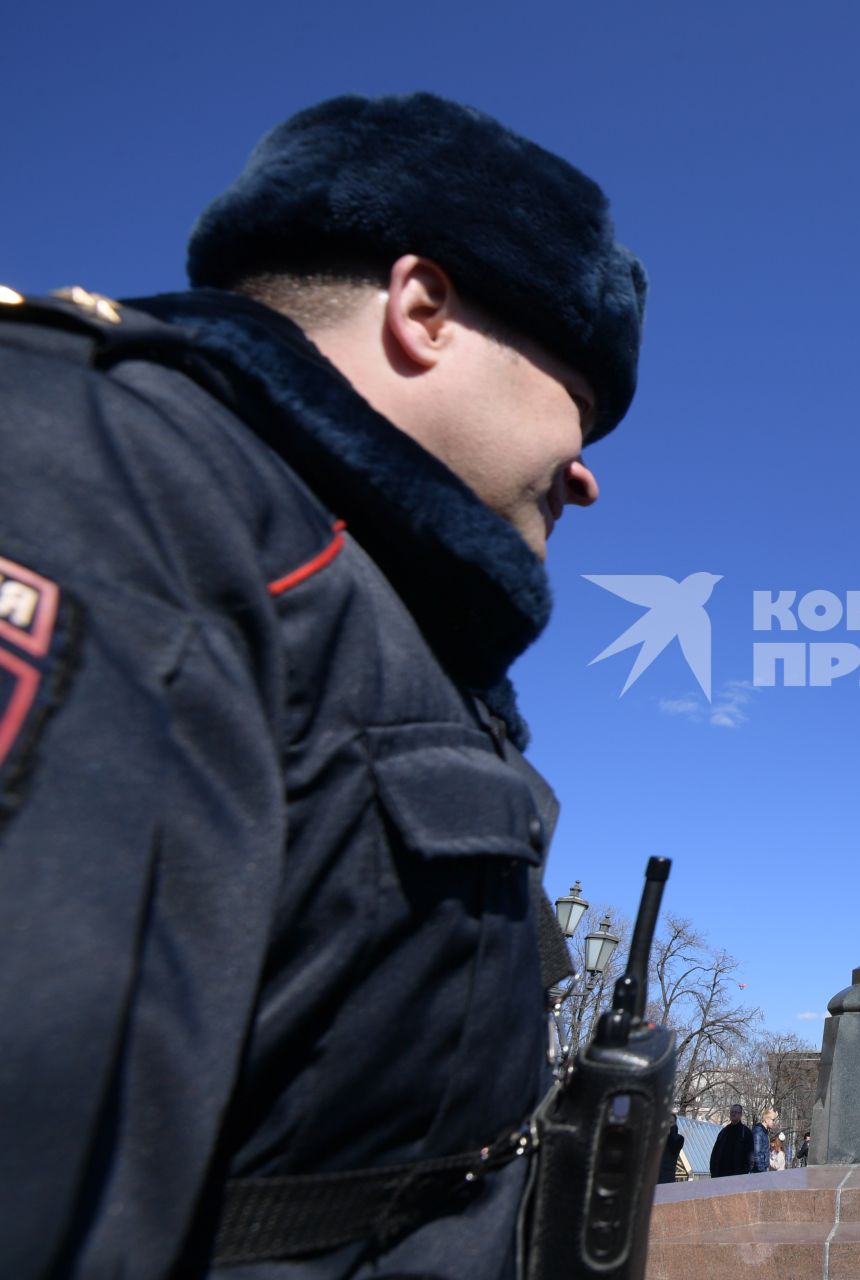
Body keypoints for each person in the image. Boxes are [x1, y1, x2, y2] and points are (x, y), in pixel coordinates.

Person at [0, 92, 645, 1278]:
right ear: (424, 310)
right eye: (581, 400)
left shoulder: (347, 591)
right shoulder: (116, 487)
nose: (587, 472)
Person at [709, 1105, 754, 1179]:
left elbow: (750, 1155)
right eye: (732, 1112)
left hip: (738, 1176)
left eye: (736, 1112)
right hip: (720, 1175)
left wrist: (744, 1172)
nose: (733, 1114)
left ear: (740, 1115)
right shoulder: (723, 1132)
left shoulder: (746, 1133)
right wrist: (713, 1171)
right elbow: (715, 1153)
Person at [659, 1118, 687, 1187]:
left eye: (670, 1122)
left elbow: (674, 1144)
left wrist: (672, 1131)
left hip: (667, 1179)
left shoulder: (679, 1139)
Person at [750, 1108, 780, 1174]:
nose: (774, 1122)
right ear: (766, 1119)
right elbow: (756, 1154)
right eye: (773, 1120)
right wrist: (762, 1172)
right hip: (758, 1172)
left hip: (762, 1170)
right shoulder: (758, 1132)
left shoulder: (764, 1132)